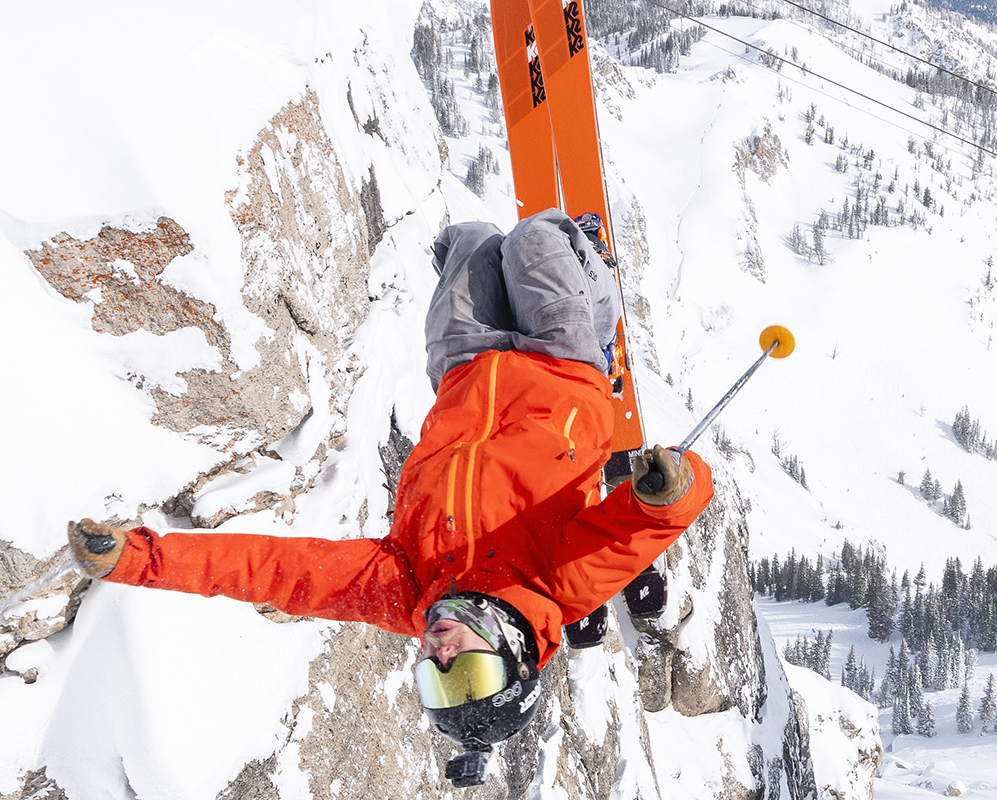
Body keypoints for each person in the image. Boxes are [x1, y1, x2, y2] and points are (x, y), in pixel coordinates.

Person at [63, 210, 712, 787]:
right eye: (470, 676)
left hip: (465, 367)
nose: (444, 655)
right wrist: (667, 493)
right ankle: (591, 275)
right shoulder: (556, 583)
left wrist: (137, 560)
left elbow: (272, 573)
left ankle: (520, 267)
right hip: (565, 365)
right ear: (515, 658)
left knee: (470, 244)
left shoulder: (404, 590)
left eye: (436, 677)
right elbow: (644, 526)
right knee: (537, 237)